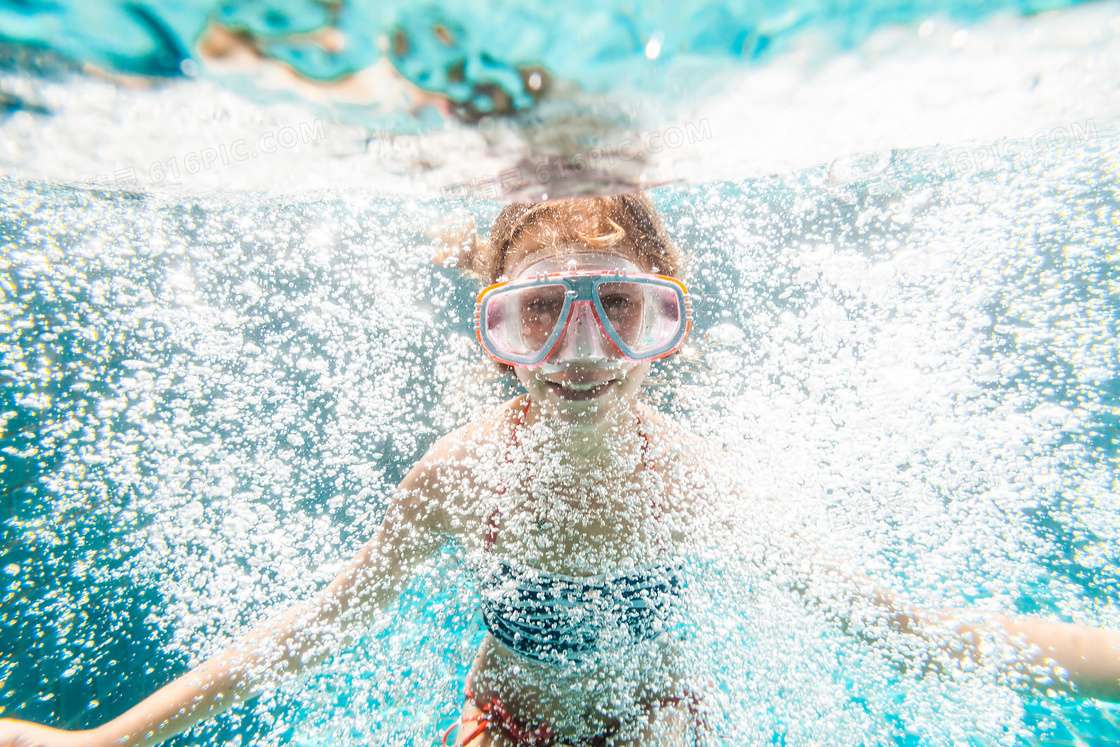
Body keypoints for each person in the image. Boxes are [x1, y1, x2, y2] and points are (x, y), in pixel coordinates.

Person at [1, 195, 1118, 747]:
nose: (581, 354)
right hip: (506, 727)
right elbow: (321, 625)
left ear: (669, 325)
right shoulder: (457, 477)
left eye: (618, 310)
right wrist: (110, 743)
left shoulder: (698, 485)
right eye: (540, 315)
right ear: (493, 333)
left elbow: (893, 626)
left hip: (662, 724)